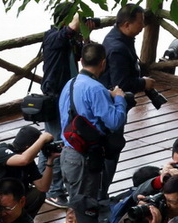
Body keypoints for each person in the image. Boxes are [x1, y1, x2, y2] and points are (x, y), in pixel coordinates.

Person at [40, 2, 98, 205]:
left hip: (69, 96)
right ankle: (53, 190)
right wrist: (73, 25)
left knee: (52, 139)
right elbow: (60, 37)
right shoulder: (53, 37)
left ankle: (43, 183)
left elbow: (86, 57)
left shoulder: (72, 40)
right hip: (55, 97)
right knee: (55, 140)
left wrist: (85, 35)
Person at [58, 42, 128, 201]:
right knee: (85, 209)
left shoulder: (69, 84)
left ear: (81, 61)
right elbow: (115, 122)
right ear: (103, 63)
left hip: (67, 154)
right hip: (85, 159)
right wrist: (119, 99)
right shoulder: (96, 89)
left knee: (76, 204)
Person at [101, 3, 154, 199]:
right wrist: (143, 83)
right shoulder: (117, 48)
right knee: (111, 149)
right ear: (126, 24)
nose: (142, 27)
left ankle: (100, 193)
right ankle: (100, 195)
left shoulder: (120, 37)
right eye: (139, 23)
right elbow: (120, 83)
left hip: (113, 104)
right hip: (112, 106)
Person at [0, 125, 57, 217]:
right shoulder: (0, 152)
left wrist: (50, 161)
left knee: (38, 194)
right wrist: (42, 140)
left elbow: (42, 187)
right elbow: (23, 160)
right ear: (28, 148)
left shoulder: (27, 161)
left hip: (7, 200)